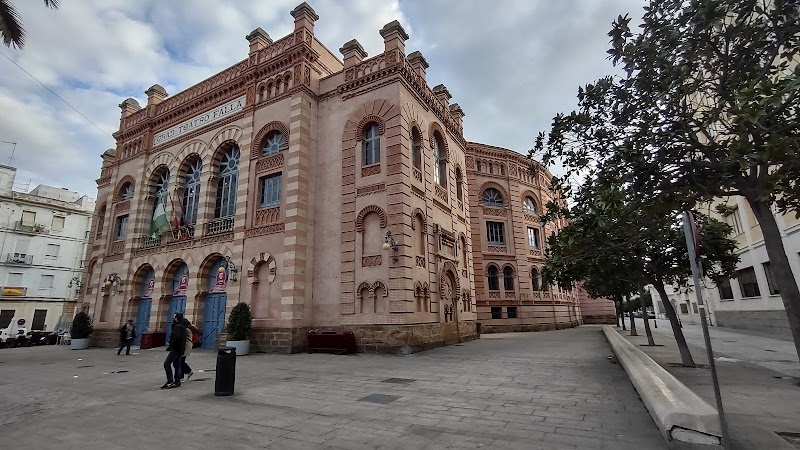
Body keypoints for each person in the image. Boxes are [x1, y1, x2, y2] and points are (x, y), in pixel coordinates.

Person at [161, 313, 186, 389]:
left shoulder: (178, 326)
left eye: (174, 316)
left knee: (166, 364)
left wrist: (170, 344)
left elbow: (177, 337)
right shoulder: (182, 326)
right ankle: (177, 381)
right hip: (180, 349)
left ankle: (170, 381)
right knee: (177, 365)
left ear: (176, 318)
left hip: (176, 348)